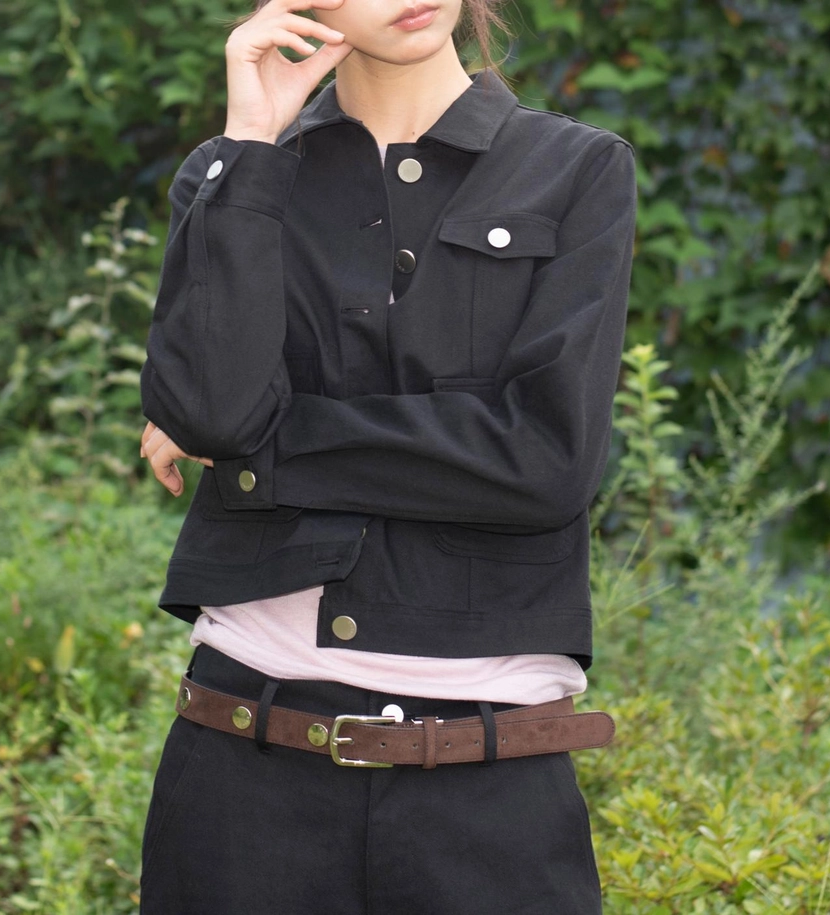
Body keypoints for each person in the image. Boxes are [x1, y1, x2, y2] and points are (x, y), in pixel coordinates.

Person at [137, 0, 636, 910]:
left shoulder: (576, 169)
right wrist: (250, 142)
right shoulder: (234, 174)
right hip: (243, 776)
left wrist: (267, 449)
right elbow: (211, 411)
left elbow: (544, 461)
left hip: (491, 795)